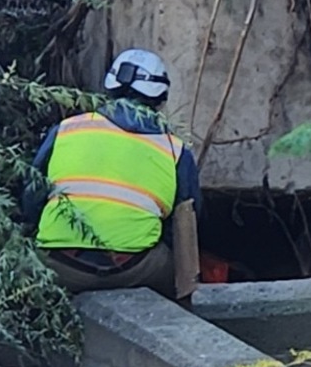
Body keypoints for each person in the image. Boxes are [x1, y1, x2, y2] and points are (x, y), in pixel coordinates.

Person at [26, 48, 200, 300]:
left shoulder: (66, 130)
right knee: (176, 248)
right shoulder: (175, 150)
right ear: (161, 100)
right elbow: (186, 224)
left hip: (60, 266)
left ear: (108, 90)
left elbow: (32, 199)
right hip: (133, 270)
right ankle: (183, 322)